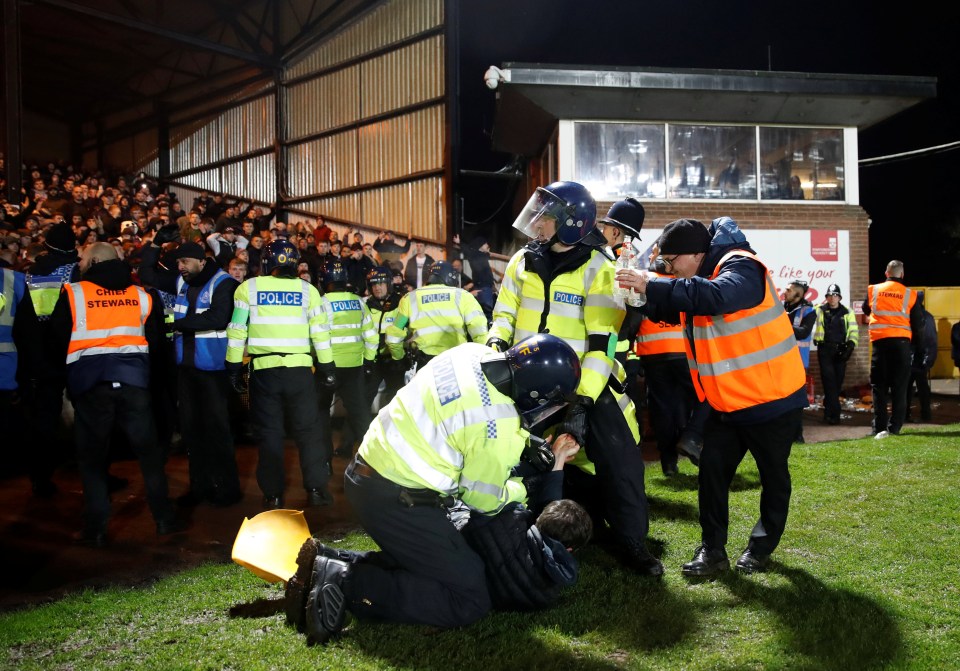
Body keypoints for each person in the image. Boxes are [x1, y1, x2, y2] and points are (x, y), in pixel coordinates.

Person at [283, 333, 582, 644]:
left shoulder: (471, 353)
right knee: (469, 599)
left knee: (448, 564)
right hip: (395, 498)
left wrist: (524, 441)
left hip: (372, 471)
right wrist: (521, 488)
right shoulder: (497, 430)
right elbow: (485, 501)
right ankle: (347, 582)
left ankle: (332, 561)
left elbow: (461, 420)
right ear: (536, 394)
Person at [487, 181, 662, 576]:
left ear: (571, 222)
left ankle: (633, 542)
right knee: (514, 456)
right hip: (525, 381)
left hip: (582, 385)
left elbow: (602, 344)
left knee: (620, 462)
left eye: (546, 216)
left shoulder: (600, 268)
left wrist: (583, 401)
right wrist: (496, 342)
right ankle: (522, 530)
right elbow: (503, 314)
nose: (537, 222)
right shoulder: (522, 260)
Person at [616, 216, 807, 576]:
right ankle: (713, 552)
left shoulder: (742, 265)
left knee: (774, 479)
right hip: (727, 405)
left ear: (695, 255)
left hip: (773, 399)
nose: (668, 270)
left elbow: (718, 296)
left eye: (671, 262)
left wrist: (652, 284)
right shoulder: (699, 278)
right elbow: (674, 307)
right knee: (712, 477)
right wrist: (637, 295)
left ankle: (761, 548)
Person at [49, 242, 183, 546]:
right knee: (149, 455)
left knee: (92, 458)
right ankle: (164, 519)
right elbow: (157, 343)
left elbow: (57, 338)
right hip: (134, 382)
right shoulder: (141, 294)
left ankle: (96, 528)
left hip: (91, 384)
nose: (79, 261)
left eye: (83, 258)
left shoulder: (74, 293)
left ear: (95, 260)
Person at [226, 240, 337, 509]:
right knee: (308, 431)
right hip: (300, 372)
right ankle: (315, 490)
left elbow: (237, 330)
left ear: (266, 262)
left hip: (264, 373)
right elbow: (320, 335)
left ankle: (273, 495)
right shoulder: (308, 291)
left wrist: (232, 366)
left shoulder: (248, 288)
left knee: (270, 433)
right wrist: (328, 368)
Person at [141, 240, 242, 507]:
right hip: (186, 369)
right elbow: (147, 275)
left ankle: (227, 489)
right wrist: (152, 249)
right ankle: (200, 487)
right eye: (177, 263)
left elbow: (218, 318)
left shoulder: (225, 284)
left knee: (218, 431)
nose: (180, 267)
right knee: (192, 430)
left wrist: (177, 323)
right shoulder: (181, 281)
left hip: (214, 371)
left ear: (201, 260)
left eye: (184, 262)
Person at [20, 222, 81, 497]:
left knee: (44, 418)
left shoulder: (29, 274)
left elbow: (24, 321)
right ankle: (90, 468)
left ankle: (40, 477)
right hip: (71, 352)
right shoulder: (74, 273)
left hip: (41, 357)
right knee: (86, 413)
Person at [315, 259, 377, 459]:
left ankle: (325, 461)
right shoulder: (359, 302)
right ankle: (376, 460)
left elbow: (315, 336)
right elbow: (371, 336)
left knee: (321, 413)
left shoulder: (321, 303)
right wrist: (368, 361)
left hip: (328, 366)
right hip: (355, 366)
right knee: (360, 415)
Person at [861, 260, 923, 438]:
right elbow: (918, 325)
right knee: (900, 387)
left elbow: (866, 308)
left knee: (879, 386)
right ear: (902, 275)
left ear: (886, 273)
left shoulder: (874, 289)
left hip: (880, 344)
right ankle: (894, 427)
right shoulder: (910, 295)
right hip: (902, 345)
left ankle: (878, 427)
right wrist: (918, 348)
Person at [385, 260, 488, 367]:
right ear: (450, 277)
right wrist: (482, 359)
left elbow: (394, 335)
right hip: (456, 361)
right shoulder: (463, 296)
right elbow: (479, 329)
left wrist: (399, 358)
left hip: (423, 363)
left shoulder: (409, 298)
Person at [812, 283, 859, 425]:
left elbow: (853, 330)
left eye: (835, 295)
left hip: (841, 351)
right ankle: (834, 414)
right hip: (824, 350)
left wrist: (850, 347)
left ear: (839, 297)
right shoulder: (820, 310)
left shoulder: (847, 312)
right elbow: (807, 310)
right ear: (826, 297)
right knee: (829, 382)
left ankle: (828, 413)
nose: (832, 298)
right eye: (829, 296)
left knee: (836, 384)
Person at [782, 279, 816, 442]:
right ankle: (783, 433)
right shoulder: (782, 308)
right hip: (780, 359)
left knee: (796, 400)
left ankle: (798, 435)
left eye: (788, 290)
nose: (785, 292)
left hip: (798, 361)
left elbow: (803, 333)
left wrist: (781, 323)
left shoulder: (808, 311)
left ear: (798, 292)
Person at [905, 291, 937, 423]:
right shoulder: (926, 316)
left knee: (912, 387)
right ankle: (922, 414)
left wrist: (927, 358)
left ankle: (912, 414)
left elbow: (929, 339)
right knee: (917, 388)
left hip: (916, 358)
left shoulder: (920, 316)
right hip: (917, 358)